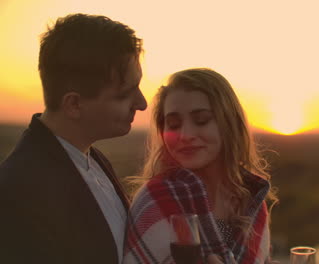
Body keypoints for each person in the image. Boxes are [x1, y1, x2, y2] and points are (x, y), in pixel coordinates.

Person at [0, 13, 147, 263]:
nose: (142, 104)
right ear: (74, 104)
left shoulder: (94, 159)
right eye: (125, 94)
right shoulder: (17, 192)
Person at [123, 68, 278, 264]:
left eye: (201, 120)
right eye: (173, 124)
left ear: (228, 124)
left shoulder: (251, 198)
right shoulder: (156, 200)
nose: (186, 134)